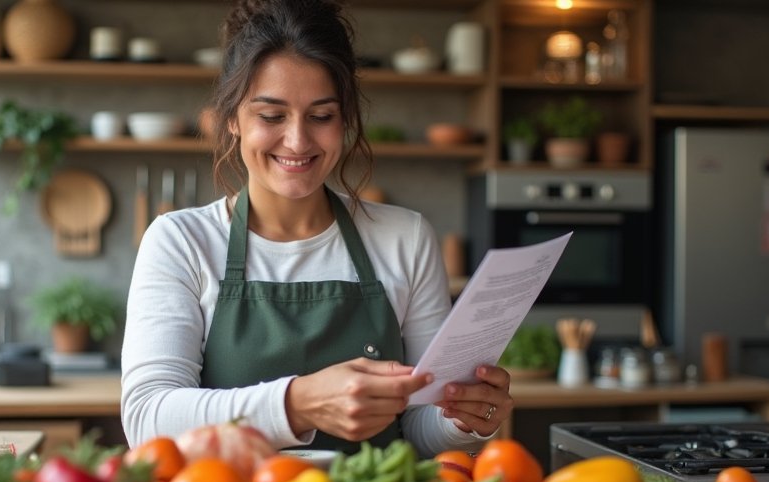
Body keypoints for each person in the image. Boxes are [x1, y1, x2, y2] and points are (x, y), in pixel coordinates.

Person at [121, 0, 512, 456]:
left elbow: (418, 430)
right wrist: (298, 404)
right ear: (231, 119)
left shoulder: (405, 238)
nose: (298, 141)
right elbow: (147, 421)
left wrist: (462, 416)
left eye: (321, 116)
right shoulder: (181, 241)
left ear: (344, 119)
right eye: (271, 116)